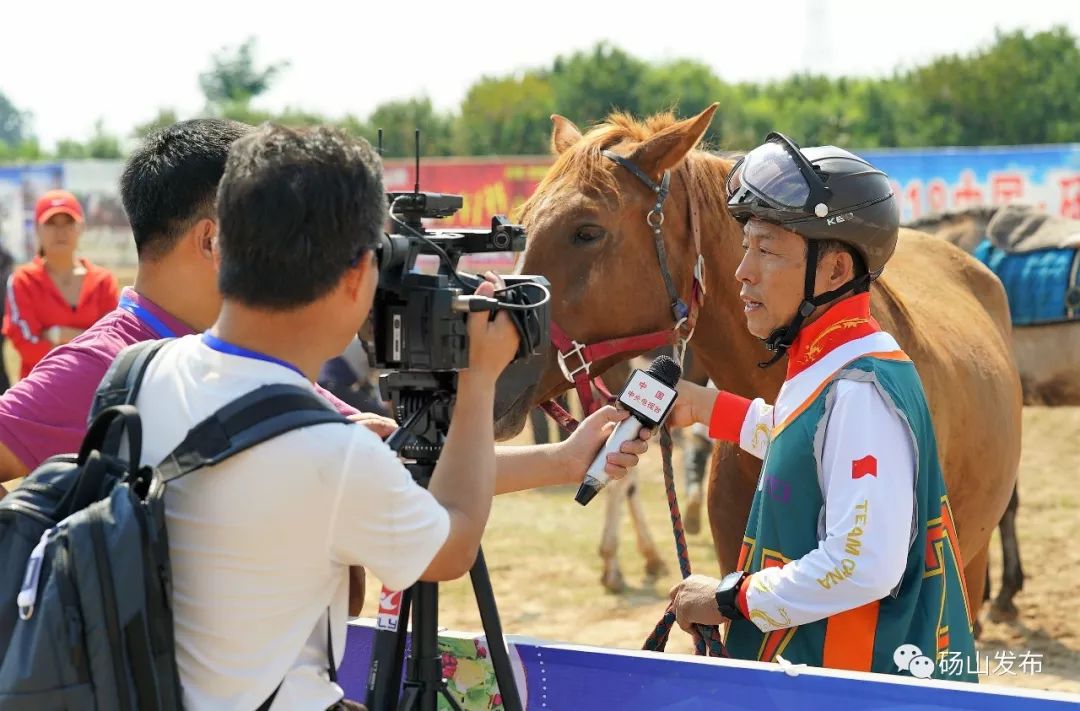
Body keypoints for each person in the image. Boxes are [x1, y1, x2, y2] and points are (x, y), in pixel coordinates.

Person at [128, 123, 627, 709]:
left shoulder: (138, 372)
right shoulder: (329, 453)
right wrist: (477, 382)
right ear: (356, 274)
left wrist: (564, 458)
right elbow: (454, 543)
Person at [0, 119, 648, 527]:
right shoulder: (97, 367)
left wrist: (563, 459)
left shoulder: (251, 357)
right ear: (213, 239)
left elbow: (397, 465)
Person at [665, 133, 976, 681]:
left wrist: (730, 599)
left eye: (766, 249)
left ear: (833, 271)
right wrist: (706, 408)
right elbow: (810, 442)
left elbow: (863, 567)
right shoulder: (840, 362)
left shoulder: (858, 390)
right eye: (745, 246)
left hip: (851, 685)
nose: (742, 271)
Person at [2, 190, 118, 378]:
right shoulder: (23, 280)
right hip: (40, 395)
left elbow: (113, 345)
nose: (60, 231)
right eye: (51, 223)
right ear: (37, 229)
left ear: (80, 227)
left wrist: (57, 334)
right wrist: (87, 338)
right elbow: (27, 347)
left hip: (95, 394)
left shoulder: (103, 281)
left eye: (68, 222)